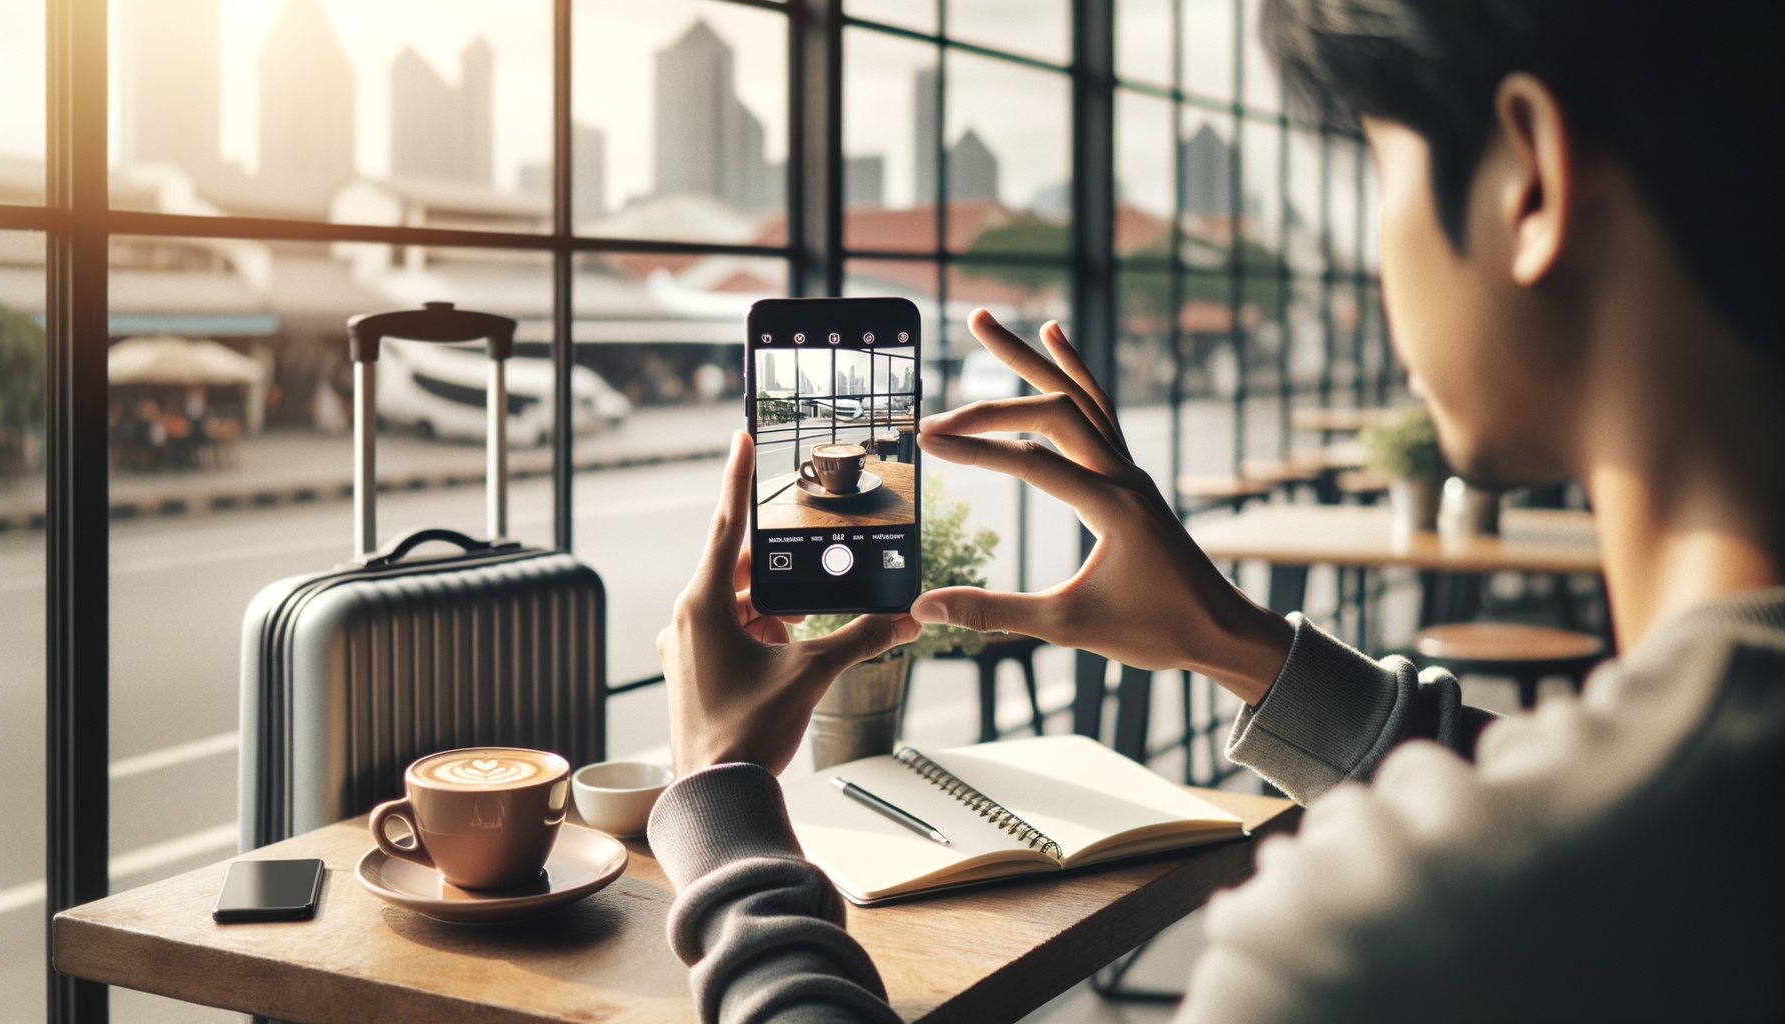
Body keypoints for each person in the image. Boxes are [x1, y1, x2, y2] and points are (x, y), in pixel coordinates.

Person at [646, 1, 1785, 1020]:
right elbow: (1593, 827)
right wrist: (1232, 641)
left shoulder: (1375, 940)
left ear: (1528, 181)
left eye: (1377, 168)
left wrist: (721, 811)